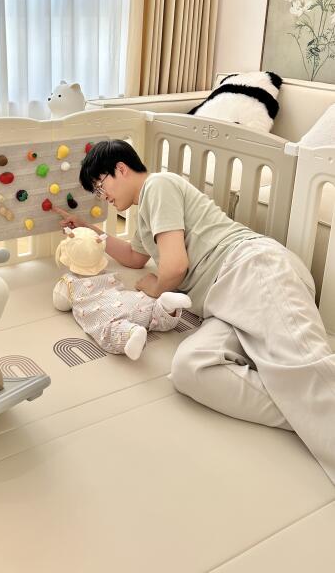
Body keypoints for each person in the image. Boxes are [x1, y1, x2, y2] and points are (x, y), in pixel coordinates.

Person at [54, 139, 335, 484]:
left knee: (305, 368)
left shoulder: (159, 185)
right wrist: (89, 230)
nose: (103, 197)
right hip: (221, 305)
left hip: (249, 268)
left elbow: (174, 266)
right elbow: (133, 257)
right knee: (190, 369)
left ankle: (314, 410)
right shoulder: (146, 213)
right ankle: (307, 413)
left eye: (100, 186)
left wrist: (156, 288)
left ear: (121, 169)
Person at [52, 224, 192, 359]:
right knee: (153, 312)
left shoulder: (69, 282)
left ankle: (132, 333)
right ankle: (165, 307)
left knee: (110, 331)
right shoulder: (106, 273)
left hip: (109, 313)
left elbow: (60, 304)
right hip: (133, 301)